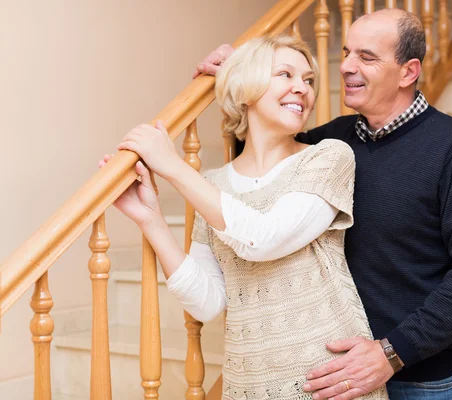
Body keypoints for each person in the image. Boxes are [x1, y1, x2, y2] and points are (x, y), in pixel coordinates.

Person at [194, 8, 452, 400]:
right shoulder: (329, 144)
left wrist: (390, 353)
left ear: (408, 72)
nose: (345, 66)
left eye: (366, 56)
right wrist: (239, 73)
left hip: (424, 383)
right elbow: (260, 161)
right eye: (345, 52)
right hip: (338, 380)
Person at [100, 35, 388, 399]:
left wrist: (171, 166)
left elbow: (263, 238)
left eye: (309, 80)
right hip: (248, 386)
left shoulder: (329, 158)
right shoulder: (213, 185)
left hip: (331, 381)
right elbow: (207, 303)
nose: (302, 88)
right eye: (285, 74)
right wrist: (151, 220)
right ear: (246, 88)